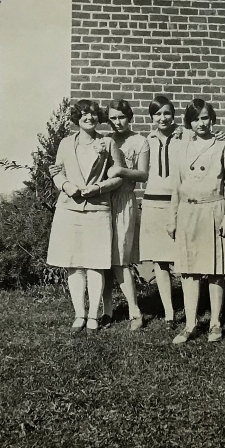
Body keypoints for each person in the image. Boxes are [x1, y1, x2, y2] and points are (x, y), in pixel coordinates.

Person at [47, 100, 125, 331]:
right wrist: (66, 186)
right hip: (69, 208)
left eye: (92, 114)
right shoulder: (65, 143)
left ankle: (93, 316)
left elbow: (119, 177)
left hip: (98, 209)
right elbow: (57, 171)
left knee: (95, 264)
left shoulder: (107, 143)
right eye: (83, 115)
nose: (88, 118)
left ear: (98, 118)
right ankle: (79, 314)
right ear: (76, 118)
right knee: (74, 264)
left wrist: (99, 188)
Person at [167, 99, 225, 345]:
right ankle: (190, 325)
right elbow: (176, 185)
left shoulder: (223, 147)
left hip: (214, 210)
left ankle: (216, 324)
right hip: (188, 212)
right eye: (195, 119)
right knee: (188, 271)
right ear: (189, 122)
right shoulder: (182, 147)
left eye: (205, 118)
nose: (201, 123)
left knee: (215, 271)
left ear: (212, 119)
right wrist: (172, 217)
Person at [137, 95, 183, 326]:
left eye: (166, 113)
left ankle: (191, 307)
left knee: (182, 258)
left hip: (179, 203)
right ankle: (169, 312)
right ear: (152, 117)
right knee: (159, 261)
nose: (162, 118)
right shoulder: (148, 139)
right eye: (157, 114)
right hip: (153, 203)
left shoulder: (185, 136)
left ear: (173, 115)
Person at [103, 99, 148, 330]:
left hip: (124, 201)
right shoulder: (106, 140)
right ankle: (107, 311)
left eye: (121, 117)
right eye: (112, 118)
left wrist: (121, 170)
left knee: (120, 258)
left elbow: (143, 174)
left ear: (129, 116)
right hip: (103, 201)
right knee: (102, 258)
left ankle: (135, 311)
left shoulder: (140, 141)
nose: (117, 122)